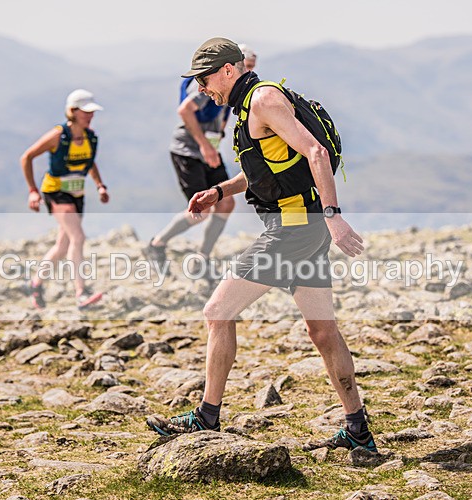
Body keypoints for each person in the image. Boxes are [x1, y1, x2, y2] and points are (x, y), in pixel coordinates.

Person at [146, 38, 378, 454]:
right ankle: (358, 429)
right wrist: (219, 191)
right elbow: (266, 169)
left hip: (294, 230)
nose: (201, 88)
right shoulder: (249, 106)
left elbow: (316, 152)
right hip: (302, 230)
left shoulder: (264, 100)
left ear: (228, 71)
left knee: (217, 312)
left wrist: (333, 216)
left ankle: (206, 416)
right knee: (322, 330)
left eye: (204, 78)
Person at [143, 50, 238, 273]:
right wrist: (205, 145)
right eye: (247, 65)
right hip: (188, 151)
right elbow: (185, 111)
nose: (250, 71)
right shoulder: (209, 83)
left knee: (226, 202)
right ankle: (156, 244)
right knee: (201, 210)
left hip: (209, 151)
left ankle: (201, 258)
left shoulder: (234, 86)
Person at [20, 89, 109, 310]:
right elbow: (27, 157)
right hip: (56, 191)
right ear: (72, 112)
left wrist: (100, 185)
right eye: (85, 112)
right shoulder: (58, 136)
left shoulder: (90, 137)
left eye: (91, 112)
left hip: (77, 193)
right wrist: (33, 190)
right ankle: (81, 292)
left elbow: (90, 162)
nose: (90, 116)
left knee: (63, 246)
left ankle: (36, 284)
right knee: (78, 237)